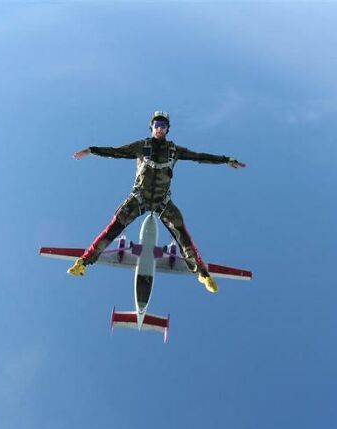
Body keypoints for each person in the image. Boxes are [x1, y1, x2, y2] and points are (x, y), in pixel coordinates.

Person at [68, 111, 246, 293]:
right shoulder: (141, 146)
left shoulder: (174, 151)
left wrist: (226, 160)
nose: (160, 128)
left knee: (183, 236)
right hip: (139, 197)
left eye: (163, 125)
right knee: (113, 228)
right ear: (151, 127)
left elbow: (199, 156)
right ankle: (83, 262)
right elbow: (116, 152)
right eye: (157, 124)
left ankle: (203, 274)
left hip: (162, 200)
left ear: (168, 129)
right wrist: (91, 150)